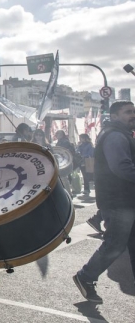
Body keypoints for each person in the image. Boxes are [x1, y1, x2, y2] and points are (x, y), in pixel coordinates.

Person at [74, 101, 135, 304]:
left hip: (126, 201)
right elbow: (122, 168)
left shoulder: (121, 134)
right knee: (114, 246)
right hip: (119, 202)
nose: (133, 115)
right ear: (115, 116)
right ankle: (85, 276)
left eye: (134, 111)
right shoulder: (115, 136)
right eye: (128, 112)